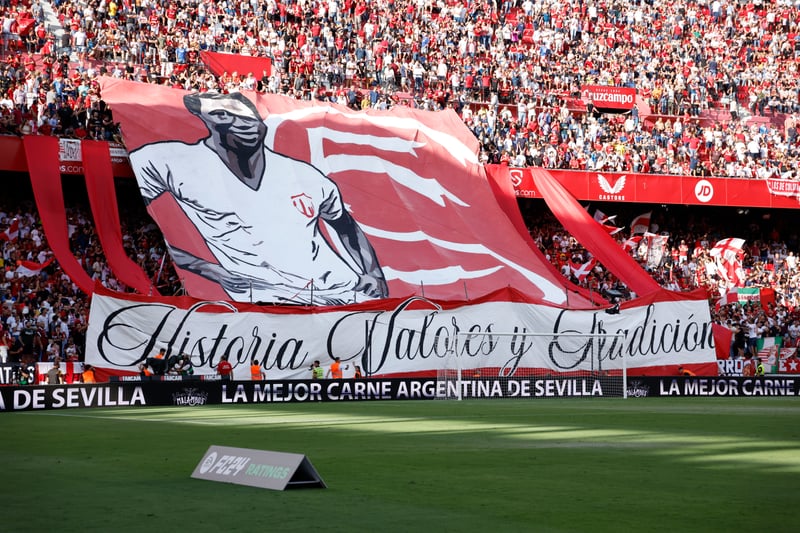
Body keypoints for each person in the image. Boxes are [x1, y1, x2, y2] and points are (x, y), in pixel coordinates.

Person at [129, 91, 388, 306]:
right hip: (267, 299)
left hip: (344, 292)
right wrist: (209, 270)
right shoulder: (171, 161)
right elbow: (127, 225)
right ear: (203, 119)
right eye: (222, 115)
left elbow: (346, 226)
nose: (240, 124)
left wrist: (373, 274)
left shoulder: (304, 175)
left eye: (247, 117)